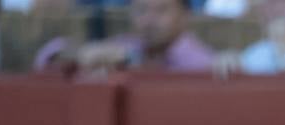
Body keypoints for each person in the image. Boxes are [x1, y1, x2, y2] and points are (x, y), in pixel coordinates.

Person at [34, 0, 215, 75]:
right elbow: (49, 54)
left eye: (161, 10)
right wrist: (82, 54)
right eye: (141, 10)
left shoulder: (201, 61)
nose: (149, 21)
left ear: (185, 16)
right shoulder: (126, 45)